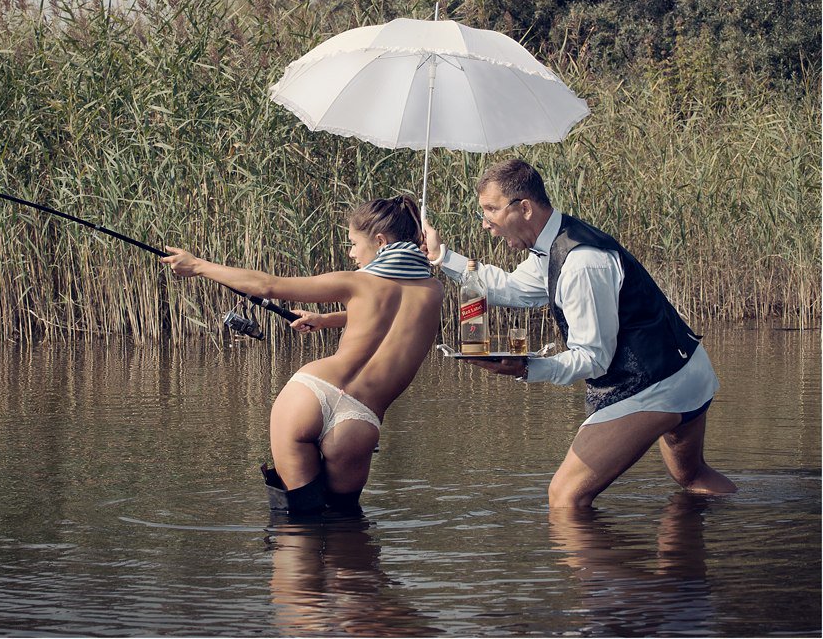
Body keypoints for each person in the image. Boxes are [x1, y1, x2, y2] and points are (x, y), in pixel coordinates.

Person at [424, 159, 736, 509]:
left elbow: (593, 358)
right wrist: (441, 256)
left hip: (656, 385)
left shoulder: (582, 262)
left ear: (524, 208)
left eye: (491, 210)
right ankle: (744, 526)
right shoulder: (554, 244)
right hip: (685, 369)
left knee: (565, 497)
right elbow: (512, 288)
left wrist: (528, 368)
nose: (486, 224)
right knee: (692, 478)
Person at [161, 196, 443, 516]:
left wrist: (198, 265)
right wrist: (326, 320)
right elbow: (393, 319)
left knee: (297, 519)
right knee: (345, 524)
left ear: (380, 241)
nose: (351, 254)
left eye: (354, 244)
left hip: (310, 395)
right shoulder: (433, 292)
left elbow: (268, 285)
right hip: (360, 419)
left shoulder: (356, 283)